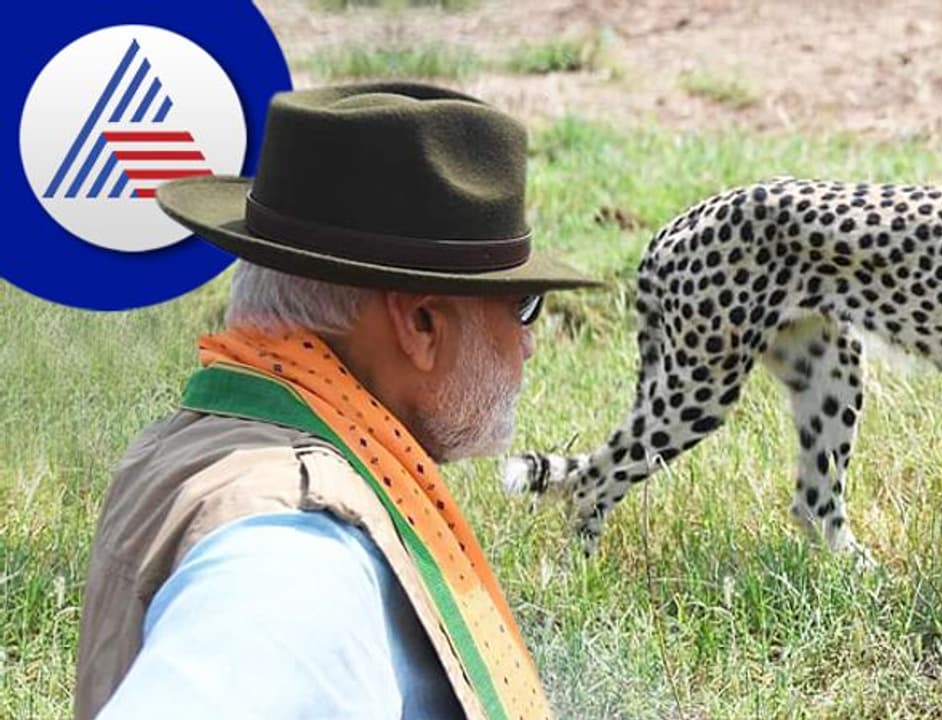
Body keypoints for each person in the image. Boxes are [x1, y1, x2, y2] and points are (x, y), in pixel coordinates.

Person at [73, 83, 598, 720]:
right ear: (422, 326)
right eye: (521, 307)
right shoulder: (300, 552)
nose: (530, 344)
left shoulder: (203, 442)